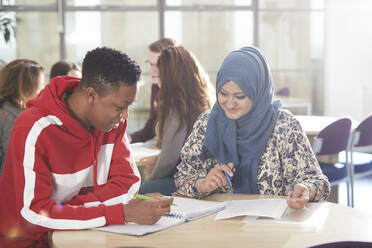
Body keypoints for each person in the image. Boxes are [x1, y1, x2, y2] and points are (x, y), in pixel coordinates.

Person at [0, 47, 173, 248]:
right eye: (119, 107)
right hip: (30, 242)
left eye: (128, 107)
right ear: (91, 95)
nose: (125, 116)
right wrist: (120, 212)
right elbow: (33, 214)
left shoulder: (113, 124)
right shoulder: (33, 128)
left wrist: (63, 209)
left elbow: (127, 184)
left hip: (91, 233)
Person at [173, 46, 330, 209]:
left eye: (240, 96)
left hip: (273, 227)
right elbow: (181, 178)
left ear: (258, 92)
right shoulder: (206, 124)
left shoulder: (285, 126)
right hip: (218, 226)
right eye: (223, 94)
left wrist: (307, 189)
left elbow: (318, 181)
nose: (230, 103)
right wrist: (202, 185)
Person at [139, 46, 215, 196]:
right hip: (202, 177)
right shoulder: (202, 99)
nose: (153, 72)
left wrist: (150, 180)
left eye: (159, 68)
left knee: (137, 192)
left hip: (185, 180)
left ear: (170, 74)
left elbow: (169, 160)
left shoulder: (176, 104)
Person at [0, 59, 45, 174]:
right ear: (26, 87)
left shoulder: (7, 110)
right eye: (40, 85)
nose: (43, 89)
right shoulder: (14, 119)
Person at [129, 38, 176, 143]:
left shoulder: (182, 92)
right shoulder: (156, 87)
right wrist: (130, 138)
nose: (152, 70)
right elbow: (151, 126)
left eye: (158, 65)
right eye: (150, 64)